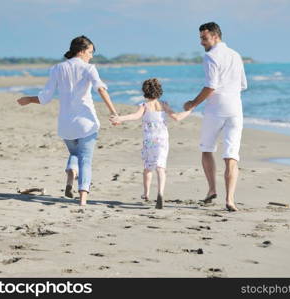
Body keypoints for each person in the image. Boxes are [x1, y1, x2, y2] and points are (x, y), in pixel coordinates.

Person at [17, 35, 119, 206]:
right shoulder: (89, 68)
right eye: (90, 52)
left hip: (66, 125)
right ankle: (83, 199)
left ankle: (71, 173)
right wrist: (114, 112)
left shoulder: (57, 68)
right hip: (87, 123)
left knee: (74, 154)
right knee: (85, 159)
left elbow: (45, 98)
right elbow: (101, 89)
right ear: (81, 51)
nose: (91, 56)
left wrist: (28, 99)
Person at [184, 22, 248, 212]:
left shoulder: (210, 56)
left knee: (207, 149)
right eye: (201, 38)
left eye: (204, 38)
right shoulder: (236, 55)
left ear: (215, 36)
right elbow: (243, 85)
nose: (201, 42)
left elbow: (211, 86)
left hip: (216, 110)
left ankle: (212, 189)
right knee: (231, 155)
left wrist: (192, 103)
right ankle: (230, 199)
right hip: (236, 109)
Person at [110, 78, 191, 209]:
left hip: (149, 140)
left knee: (148, 167)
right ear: (159, 91)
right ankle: (160, 193)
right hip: (162, 140)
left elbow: (135, 116)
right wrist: (189, 110)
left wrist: (120, 118)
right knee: (160, 167)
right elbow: (177, 117)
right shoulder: (164, 105)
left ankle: (146, 193)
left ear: (145, 92)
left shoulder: (144, 106)